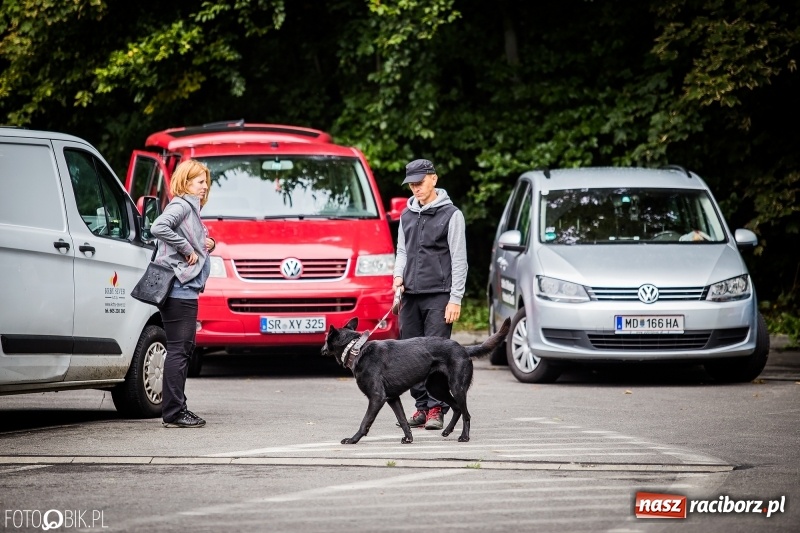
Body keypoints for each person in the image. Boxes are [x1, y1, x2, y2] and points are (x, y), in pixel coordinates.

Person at [393, 158, 467, 430]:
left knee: (436, 357)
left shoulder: (452, 215)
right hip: (410, 295)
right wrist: (398, 277)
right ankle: (421, 408)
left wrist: (455, 298)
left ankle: (437, 408)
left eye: (420, 183)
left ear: (433, 179)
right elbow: (402, 251)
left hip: (439, 295)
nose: (416, 188)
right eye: (411, 184)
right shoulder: (406, 215)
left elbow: (460, 260)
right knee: (410, 357)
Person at [150, 159, 216, 428]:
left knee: (181, 349)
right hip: (179, 288)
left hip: (184, 288)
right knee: (180, 350)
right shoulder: (180, 205)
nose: (204, 187)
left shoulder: (191, 209)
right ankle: (175, 412)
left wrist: (207, 243)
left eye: (205, 182)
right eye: (200, 181)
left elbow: (196, 241)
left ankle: (175, 408)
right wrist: (188, 248)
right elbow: (158, 227)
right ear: (185, 182)